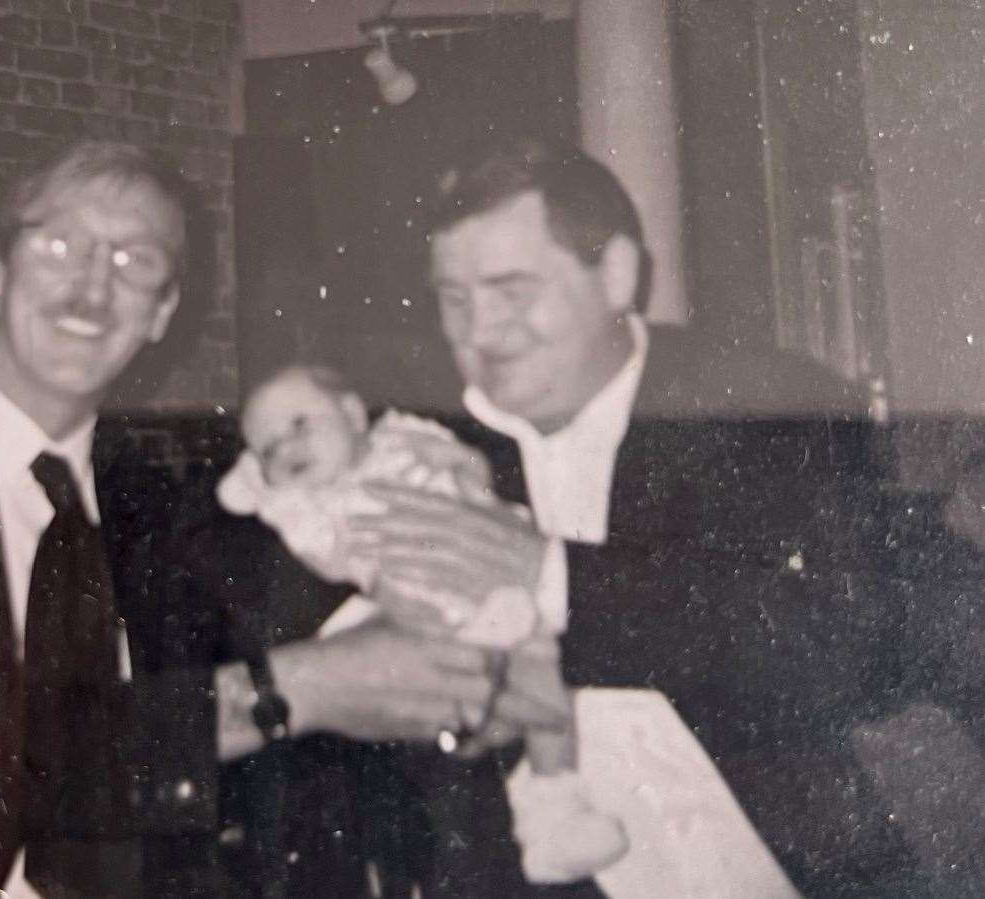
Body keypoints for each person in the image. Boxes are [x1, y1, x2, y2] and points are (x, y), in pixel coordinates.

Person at [0, 140, 565, 898]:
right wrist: (294, 692)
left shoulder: (166, 513)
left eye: (136, 262)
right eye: (60, 245)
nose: (92, 288)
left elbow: (269, 747)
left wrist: (457, 689)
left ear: (162, 313)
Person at [348, 132, 912, 895]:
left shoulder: (759, 404)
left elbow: (845, 647)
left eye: (512, 291)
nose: (479, 333)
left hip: (757, 861)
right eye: (454, 299)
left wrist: (552, 577)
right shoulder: (414, 439)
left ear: (615, 274)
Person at [215, 363, 628, 889]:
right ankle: (535, 821)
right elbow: (328, 557)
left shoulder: (406, 435)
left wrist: (461, 464)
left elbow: (472, 470)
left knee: (545, 690)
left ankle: (556, 810)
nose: (287, 449)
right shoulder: (312, 505)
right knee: (459, 712)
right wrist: (267, 492)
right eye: (267, 449)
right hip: (419, 614)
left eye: (299, 425)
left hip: (497, 582)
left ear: (352, 414)